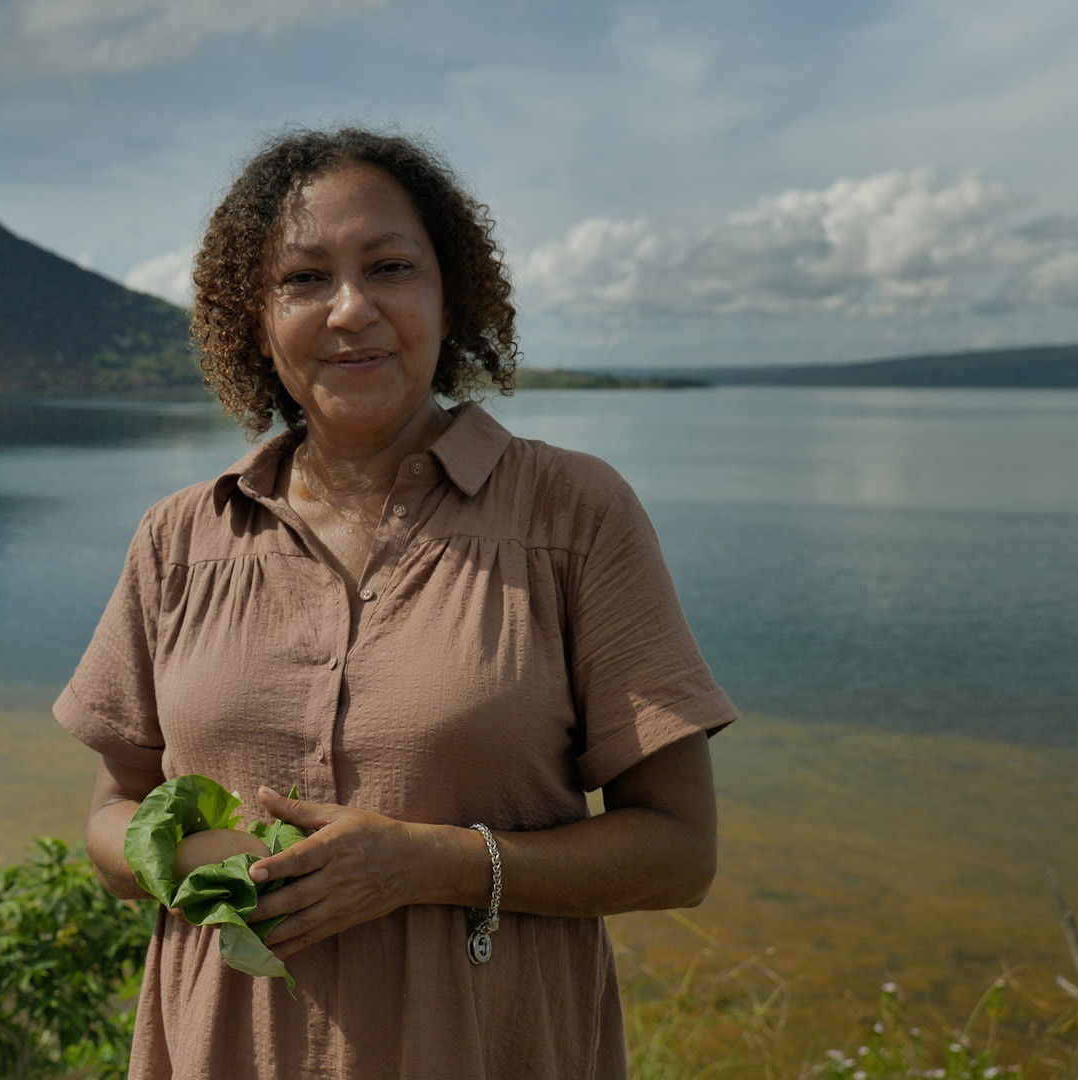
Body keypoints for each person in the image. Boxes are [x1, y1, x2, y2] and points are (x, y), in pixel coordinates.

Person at [53, 127, 737, 1080]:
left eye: (390, 267)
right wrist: (187, 852)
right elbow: (109, 820)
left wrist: (434, 864)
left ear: (448, 295)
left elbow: (679, 854)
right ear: (253, 318)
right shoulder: (182, 538)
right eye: (302, 280)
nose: (351, 310)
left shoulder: (575, 514)